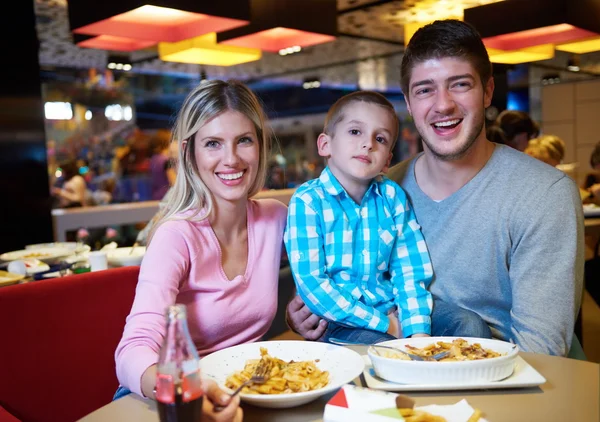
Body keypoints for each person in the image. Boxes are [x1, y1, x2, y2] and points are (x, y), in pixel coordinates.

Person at [287, 19, 584, 356]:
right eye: (425, 89)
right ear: (409, 103)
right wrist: (310, 315)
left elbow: (541, 354)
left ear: (487, 92)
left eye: (459, 84)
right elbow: (331, 280)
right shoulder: (381, 188)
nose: (443, 104)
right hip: (390, 360)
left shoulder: (544, 195)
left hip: (493, 386)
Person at [114, 80, 288, 420]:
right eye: (213, 144)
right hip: (165, 396)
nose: (231, 159)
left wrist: (303, 304)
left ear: (260, 146)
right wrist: (183, 391)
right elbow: (132, 350)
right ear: (188, 153)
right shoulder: (176, 235)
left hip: (242, 391)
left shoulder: (277, 219)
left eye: (244, 141)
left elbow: (328, 268)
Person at [284, 91, 434, 345]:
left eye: (380, 138)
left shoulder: (393, 197)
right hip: (336, 323)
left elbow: (409, 270)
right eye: (355, 132)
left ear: (387, 160)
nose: (368, 144)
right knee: (379, 350)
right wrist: (386, 325)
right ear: (325, 145)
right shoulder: (308, 201)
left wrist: (417, 333)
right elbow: (313, 284)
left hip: (392, 310)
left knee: (464, 323)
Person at [149, 128, 177, 200]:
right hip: (167, 196)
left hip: (155, 194)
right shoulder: (167, 161)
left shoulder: (154, 158)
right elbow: (173, 182)